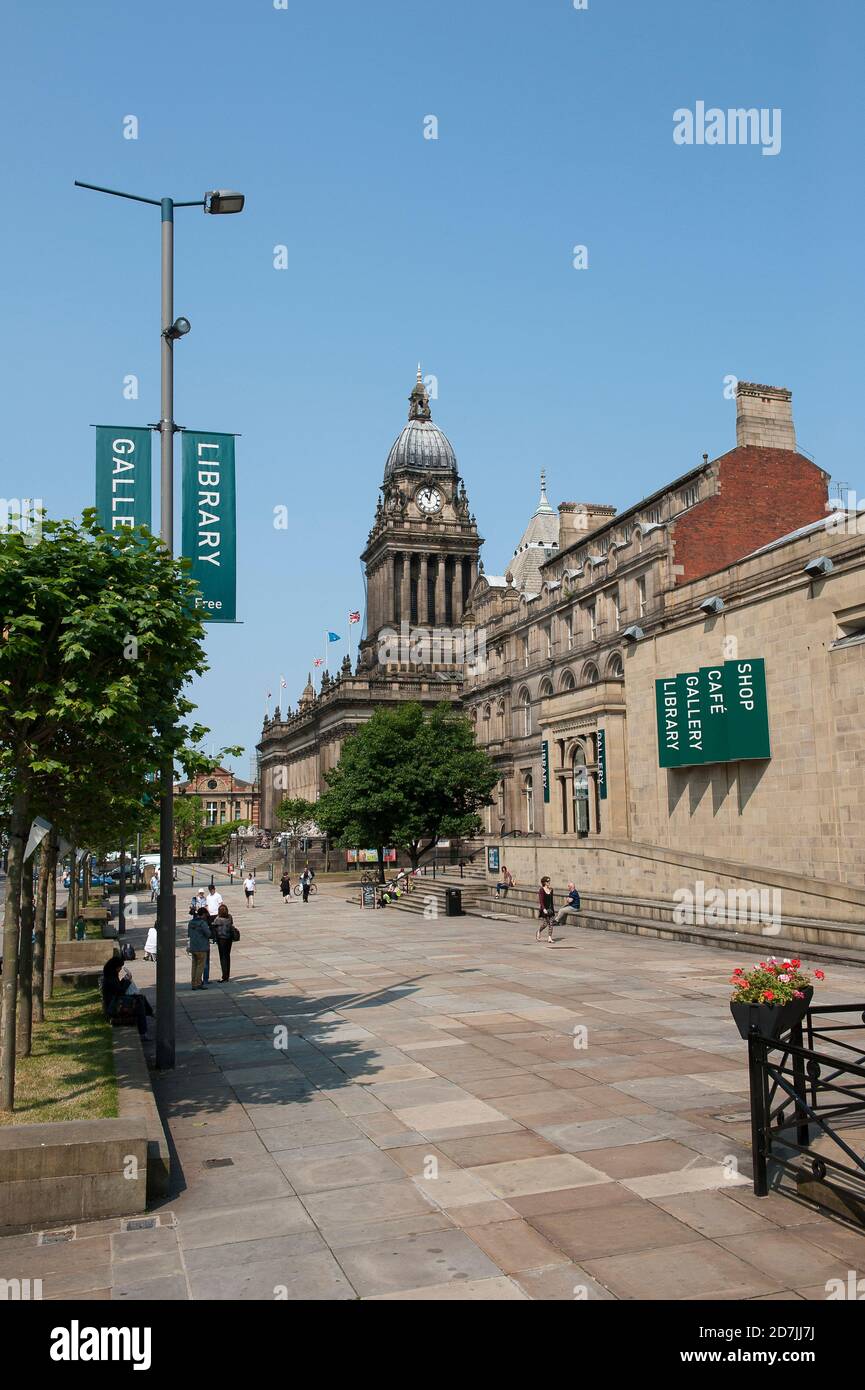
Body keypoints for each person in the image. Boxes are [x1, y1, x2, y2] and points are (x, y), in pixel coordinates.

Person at [101, 954, 154, 1036]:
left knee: (141, 997)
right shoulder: (110, 978)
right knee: (139, 1002)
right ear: (115, 967)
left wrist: (124, 979)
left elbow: (118, 987)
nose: (120, 969)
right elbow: (120, 991)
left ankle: (150, 1014)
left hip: (116, 1000)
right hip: (114, 1005)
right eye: (120, 967)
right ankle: (143, 1031)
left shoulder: (111, 975)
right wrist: (127, 981)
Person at [187, 907, 212, 990]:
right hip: (202, 947)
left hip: (193, 946)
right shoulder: (202, 923)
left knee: (194, 966)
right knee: (200, 966)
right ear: (203, 914)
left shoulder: (191, 922)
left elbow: (189, 934)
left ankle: (193, 983)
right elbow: (208, 934)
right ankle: (198, 983)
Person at [212, 902, 238, 981]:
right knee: (227, 956)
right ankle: (227, 974)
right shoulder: (229, 917)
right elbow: (231, 924)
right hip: (229, 938)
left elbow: (214, 925)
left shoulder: (218, 919)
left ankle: (224, 975)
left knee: (222, 957)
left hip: (221, 939)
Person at [537, 876, 556, 944]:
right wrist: (543, 909)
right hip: (544, 909)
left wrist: (553, 910)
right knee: (545, 924)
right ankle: (539, 931)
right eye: (548, 881)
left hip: (550, 909)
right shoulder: (541, 890)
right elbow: (541, 901)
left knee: (551, 923)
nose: (549, 882)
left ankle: (549, 937)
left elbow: (551, 901)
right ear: (544, 882)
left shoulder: (551, 889)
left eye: (549, 881)